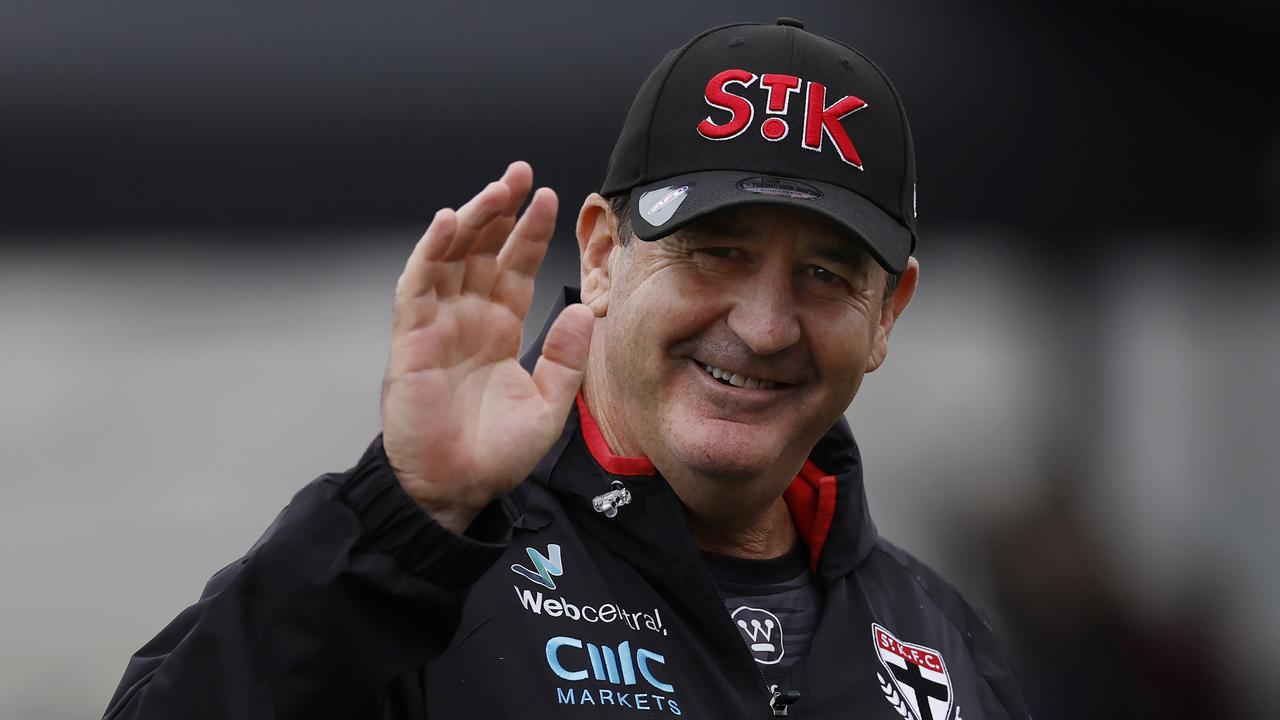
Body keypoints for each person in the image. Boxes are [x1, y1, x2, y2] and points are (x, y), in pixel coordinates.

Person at [104, 18, 1029, 720]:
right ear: (600, 256)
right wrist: (406, 520)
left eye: (825, 274)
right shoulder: (420, 575)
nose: (763, 324)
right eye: (715, 251)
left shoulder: (946, 643)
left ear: (887, 315)